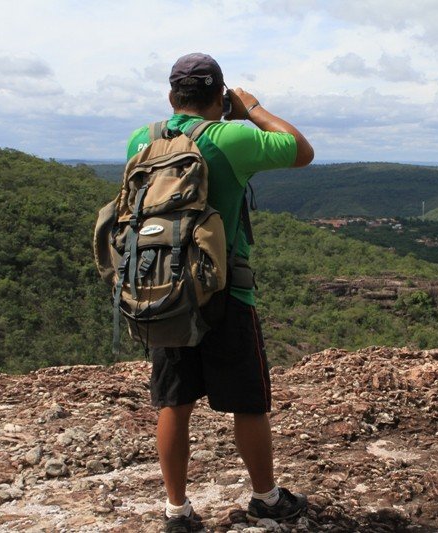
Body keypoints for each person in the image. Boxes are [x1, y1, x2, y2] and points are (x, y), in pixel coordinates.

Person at [125, 53, 314, 532]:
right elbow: (300, 149)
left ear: (172, 97)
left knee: (173, 402)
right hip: (226, 293)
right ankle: (266, 498)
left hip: (164, 289)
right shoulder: (231, 135)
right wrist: (252, 107)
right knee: (248, 402)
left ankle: (177, 511)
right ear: (220, 94)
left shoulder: (143, 139)